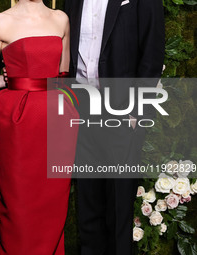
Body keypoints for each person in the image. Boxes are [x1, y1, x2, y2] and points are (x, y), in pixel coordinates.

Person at [64, 0, 165, 254]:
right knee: (87, 208)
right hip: (81, 108)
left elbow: (152, 52)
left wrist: (136, 111)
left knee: (119, 210)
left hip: (121, 111)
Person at [0, 0, 78, 254]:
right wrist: (8, 80)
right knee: (18, 201)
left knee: (53, 201)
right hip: (15, 120)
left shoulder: (61, 19)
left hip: (56, 119)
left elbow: (63, 73)